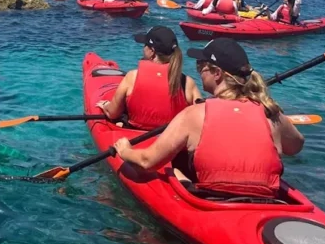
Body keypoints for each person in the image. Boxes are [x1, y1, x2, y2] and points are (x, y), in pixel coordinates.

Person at [112, 38, 304, 198]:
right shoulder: (271, 113)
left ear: (217, 73)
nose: (198, 71)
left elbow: (147, 161)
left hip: (212, 204)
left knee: (172, 165)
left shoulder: (193, 115)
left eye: (201, 67)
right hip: (267, 203)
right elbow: (295, 146)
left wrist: (125, 150)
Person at [96, 26, 202, 128]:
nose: (143, 48)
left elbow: (112, 113)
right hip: (172, 142)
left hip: (134, 139)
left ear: (152, 51)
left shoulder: (132, 77)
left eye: (145, 45)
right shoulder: (188, 83)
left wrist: (105, 105)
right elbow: (201, 120)